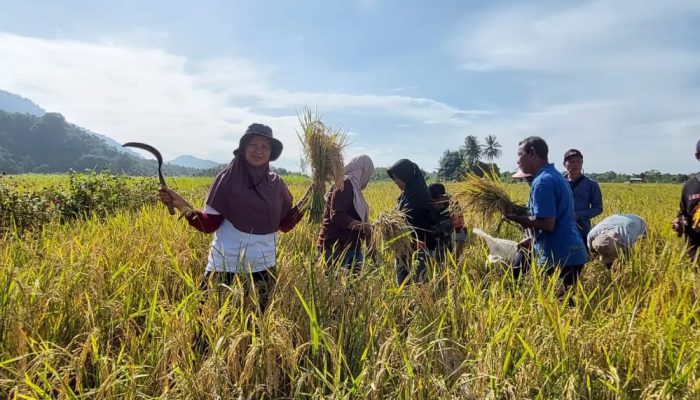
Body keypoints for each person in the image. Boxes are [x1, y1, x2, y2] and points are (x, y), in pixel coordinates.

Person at [159, 123, 311, 312]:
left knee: (257, 327)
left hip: (263, 267)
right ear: (244, 148)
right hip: (225, 267)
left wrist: (309, 199)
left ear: (271, 153)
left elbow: (285, 224)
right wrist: (181, 204)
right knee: (206, 327)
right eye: (253, 145)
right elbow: (208, 225)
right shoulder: (228, 179)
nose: (259, 151)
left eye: (265, 147)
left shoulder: (276, 184)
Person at [504, 137, 588, 292]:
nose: (517, 161)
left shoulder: (542, 181)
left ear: (532, 153)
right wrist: (532, 239)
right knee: (563, 307)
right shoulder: (555, 176)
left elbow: (548, 224)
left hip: (561, 256)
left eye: (520, 154)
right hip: (570, 252)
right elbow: (559, 218)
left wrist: (517, 218)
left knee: (561, 308)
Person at [317, 155, 375, 272]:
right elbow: (337, 216)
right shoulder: (344, 185)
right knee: (336, 287)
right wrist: (364, 226)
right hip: (336, 248)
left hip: (351, 246)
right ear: (362, 171)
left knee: (351, 287)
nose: (367, 180)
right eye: (368, 175)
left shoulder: (354, 188)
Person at [387, 159, 440, 285]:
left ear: (406, 176)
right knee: (403, 288)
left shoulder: (419, 196)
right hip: (403, 248)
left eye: (397, 178)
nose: (396, 182)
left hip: (420, 249)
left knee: (419, 287)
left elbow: (420, 224)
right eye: (394, 179)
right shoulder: (404, 196)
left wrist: (411, 240)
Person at [563, 149, 603, 248]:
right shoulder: (558, 183)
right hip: (560, 229)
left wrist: (578, 215)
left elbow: (598, 208)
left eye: (578, 161)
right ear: (564, 164)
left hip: (581, 230)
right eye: (572, 162)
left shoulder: (591, 184)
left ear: (582, 163)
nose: (575, 164)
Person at [672, 138, 700, 261]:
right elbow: (684, 216)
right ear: (698, 156)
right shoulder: (689, 186)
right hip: (695, 259)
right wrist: (678, 225)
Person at [428, 183, 466, 263]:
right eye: (433, 201)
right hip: (426, 244)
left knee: (442, 267)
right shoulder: (425, 204)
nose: (435, 203)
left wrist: (458, 252)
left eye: (437, 201)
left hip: (445, 244)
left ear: (442, 197)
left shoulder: (453, 207)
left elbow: (461, 229)